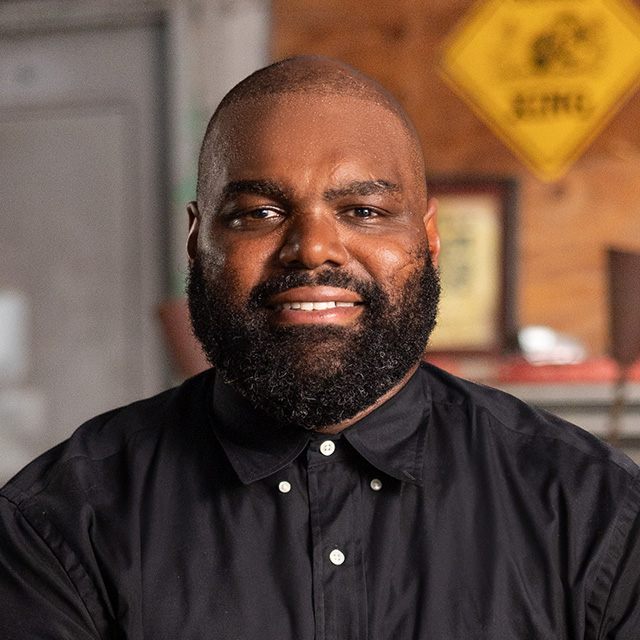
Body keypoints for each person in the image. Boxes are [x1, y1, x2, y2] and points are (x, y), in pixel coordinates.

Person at [1, 56, 639, 640]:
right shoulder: (57, 527)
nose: (312, 248)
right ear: (197, 241)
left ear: (429, 239)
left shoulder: (596, 514)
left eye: (362, 210)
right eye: (259, 213)